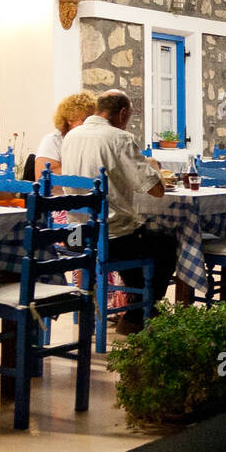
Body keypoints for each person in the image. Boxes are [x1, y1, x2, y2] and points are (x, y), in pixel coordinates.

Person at [60, 90, 178, 335]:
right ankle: (137, 315)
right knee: (165, 243)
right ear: (122, 113)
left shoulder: (72, 136)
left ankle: (140, 310)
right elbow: (155, 190)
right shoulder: (119, 138)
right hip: (107, 239)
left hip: (76, 236)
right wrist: (151, 166)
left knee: (136, 235)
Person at [33, 91, 95, 182]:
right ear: (70, 120)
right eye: (84, 120)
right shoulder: (53, 141)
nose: (90, 125)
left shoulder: (92, 141)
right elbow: (42, 177)